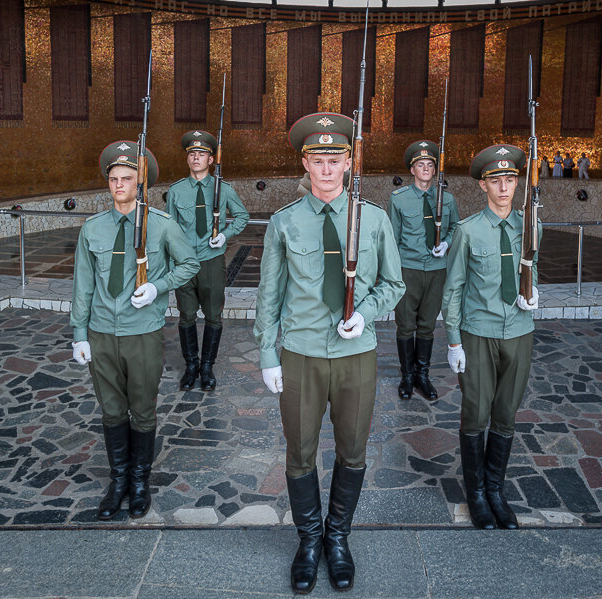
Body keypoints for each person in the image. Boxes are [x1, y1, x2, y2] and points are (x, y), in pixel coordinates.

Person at [254, 112, 404, 594]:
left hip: (355, 354)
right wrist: (267, 353)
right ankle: (309, 542)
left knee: (352, 451)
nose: (325, 168)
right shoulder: (284, 222)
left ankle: (338, 538)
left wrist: (367, 311)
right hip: (300, 354)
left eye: (334, 159)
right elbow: (268, 294)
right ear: (305, 162)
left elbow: (393, 284)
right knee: (298, 453)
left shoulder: (373, 219)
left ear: (347, 163)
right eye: (317, 159)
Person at [71, 140, 199, 521]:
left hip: (141, 331)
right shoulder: (92, 228)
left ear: (141, 185)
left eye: (128, 178)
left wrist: (158, 287)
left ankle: (140, 480)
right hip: (101, 333)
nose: (119, 185)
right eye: (114, 179)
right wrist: (79, 332)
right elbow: (83, 284)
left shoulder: (160, 226)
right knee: (112, 410)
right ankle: (119, 480)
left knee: (142, 409)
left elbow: (189, 262)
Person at [442, 144, 541, 531]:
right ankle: (477, 494)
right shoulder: (467, 231)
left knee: (505, 415)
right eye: (496, 180)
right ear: (483, 185)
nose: (504, 187)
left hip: (519, 331)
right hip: (478, 333)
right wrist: (453, 340)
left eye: (510, 179)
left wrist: (535, 292)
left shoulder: (530, 226)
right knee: (476, 413)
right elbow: (453, 289)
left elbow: (533, 270)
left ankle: (496, 490)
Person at [166, 130, 249, 392]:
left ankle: (207, 367)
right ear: (187, 159)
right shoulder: (176, 191)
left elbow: (242, 216)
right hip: (185, 263)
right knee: (186, 315)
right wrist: (171, 265)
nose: (196, 157)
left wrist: (224, 235)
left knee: (214, 316)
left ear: (211, 159)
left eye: (202, 154)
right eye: (192, 154)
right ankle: (191, 366)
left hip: (212, 261)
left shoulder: (223, 189)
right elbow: (169, 230)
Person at [387, 140, 460, 400]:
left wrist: (447, 243)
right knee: (406, 326)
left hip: (437, 269)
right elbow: (392, 239)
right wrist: (391, 274)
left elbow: (455, 229)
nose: (426, 168)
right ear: (412, 169)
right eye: (421, 164)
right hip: (409, 269)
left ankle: (423, 376)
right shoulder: (399, 199)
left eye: (430, 165)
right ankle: (407, 377)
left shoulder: (447, 199)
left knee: (427, 325)